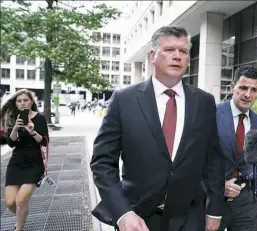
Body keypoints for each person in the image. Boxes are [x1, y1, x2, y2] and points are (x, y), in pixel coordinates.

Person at [90, 25, 225, 231]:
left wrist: (214, 209)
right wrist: (122, 213)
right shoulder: (124, 100)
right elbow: (102, 163)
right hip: (139, 217)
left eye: (183, 51)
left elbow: (213, 160)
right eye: (170, 50)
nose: (177, 56)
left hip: (189, 217)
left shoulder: (204, 102)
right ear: (153, 55)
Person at [216, 65, 257, 231]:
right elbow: (196, 158)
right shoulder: (211, 113)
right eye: (243, 87)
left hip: (247, 200)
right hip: (213, 198)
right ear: (232, 87)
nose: (248, 94)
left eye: (254, 89)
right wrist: (219, 186)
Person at [0, 89, 49, 231]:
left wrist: (32, 131)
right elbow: (11, 143)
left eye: (25, 100)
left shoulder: (39, 118)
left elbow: (44, 142)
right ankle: (23, 215)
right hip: (16, 162)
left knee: (21, 200)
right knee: (10, 203)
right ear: (15, 104)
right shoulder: (13, 118)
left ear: (31, 101)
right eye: (19, 101)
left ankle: (19, 228)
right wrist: (15, 128)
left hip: (34, 162)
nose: (23, 103)